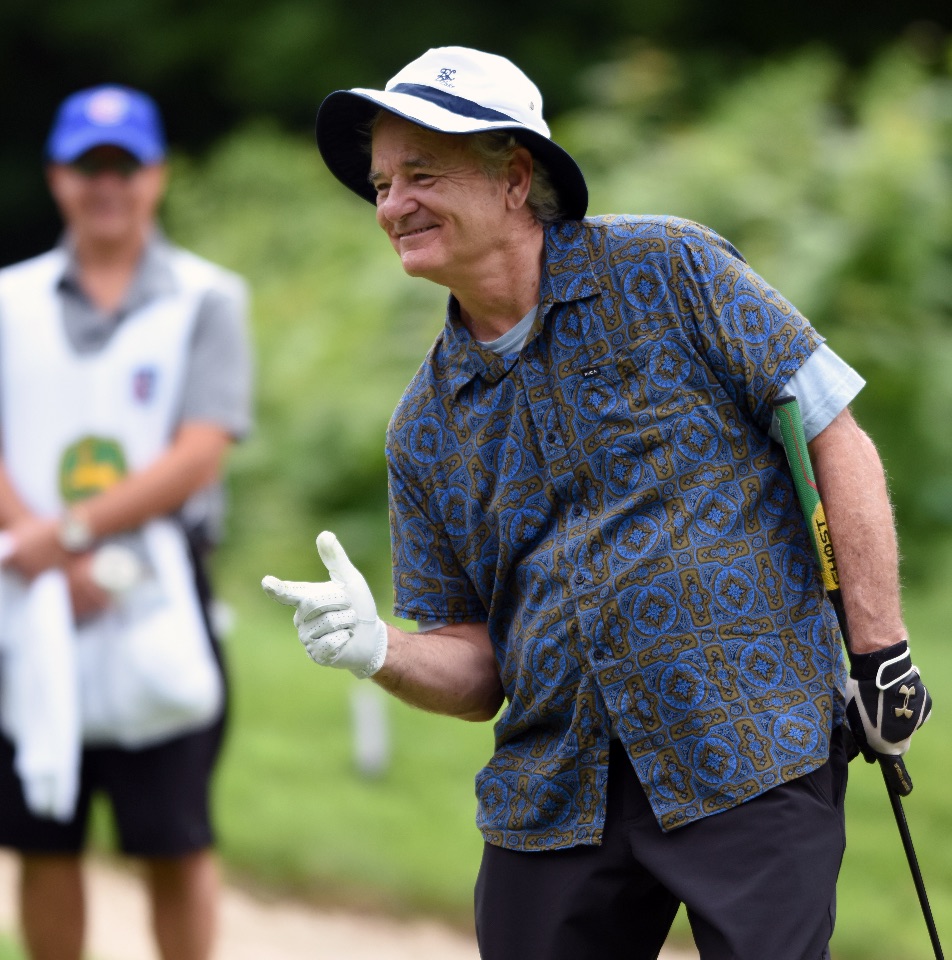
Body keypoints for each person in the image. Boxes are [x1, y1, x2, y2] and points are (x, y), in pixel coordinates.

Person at [262, 47, 932, 960]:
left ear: (514, 177)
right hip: (555, 793)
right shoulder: (421, 428)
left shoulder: (672, 268)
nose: (391, 205)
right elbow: (477, 666)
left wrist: (880, 651)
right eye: (380, 184)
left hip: (749, 740)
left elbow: (833, 436)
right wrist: (383, 651)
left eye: (421, 173)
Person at [0, 85, 252, 960]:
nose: (106, 184)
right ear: (57, 178)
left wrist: (64, 536)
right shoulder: (9, 299)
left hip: (159, 600)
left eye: (124, 166)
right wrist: (41, 548)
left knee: (174, 839)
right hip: (30, 604)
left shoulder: (207, 298)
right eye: (87, 166)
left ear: (157, 175)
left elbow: (198, 454)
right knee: (41, 834)